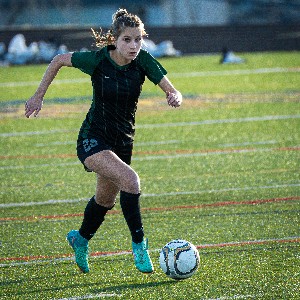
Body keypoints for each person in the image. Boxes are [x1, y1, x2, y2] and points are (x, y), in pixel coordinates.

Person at [25, 8, 182, 274]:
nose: (133, 46)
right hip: (92, 138)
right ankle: (140, 246)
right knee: (131, 181)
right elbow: (58, 60)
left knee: (105, 199)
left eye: (138, 40)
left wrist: (174, 96)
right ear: (115, 40)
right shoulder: (97, 60)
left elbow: (173, 89)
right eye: (127, 40)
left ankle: (80, 239)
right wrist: (38, 96)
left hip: (123, 141)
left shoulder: (143, 60)